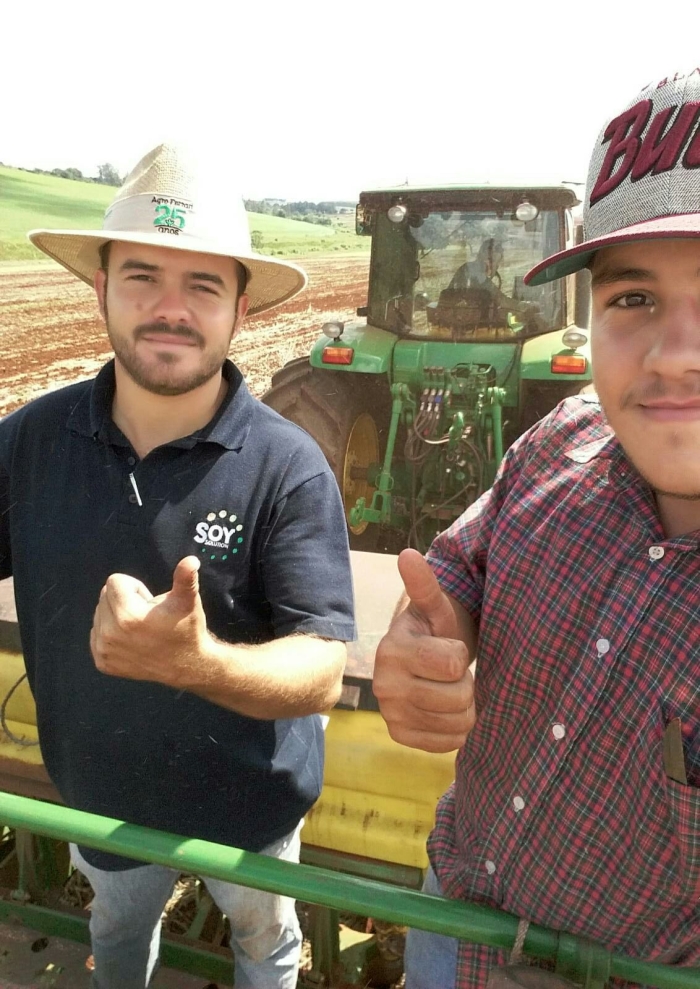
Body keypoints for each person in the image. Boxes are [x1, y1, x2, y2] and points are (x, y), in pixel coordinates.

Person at [0, 143, 355, 989]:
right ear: (101, 289)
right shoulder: (31, 441)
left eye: (202, 285)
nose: (170, 309)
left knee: (263, 938)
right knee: (118, 931)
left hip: (253, 806)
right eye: (143, 277)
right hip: (102, 799)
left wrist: (195, 664)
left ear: (240, 308)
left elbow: (322, 669)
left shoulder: (288, 466)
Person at [374, 70, 700, 989]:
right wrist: (428, 635)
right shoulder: (561, 436)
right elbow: (457, 570)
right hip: (446, 915)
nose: (678, 354)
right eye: (633, 299)